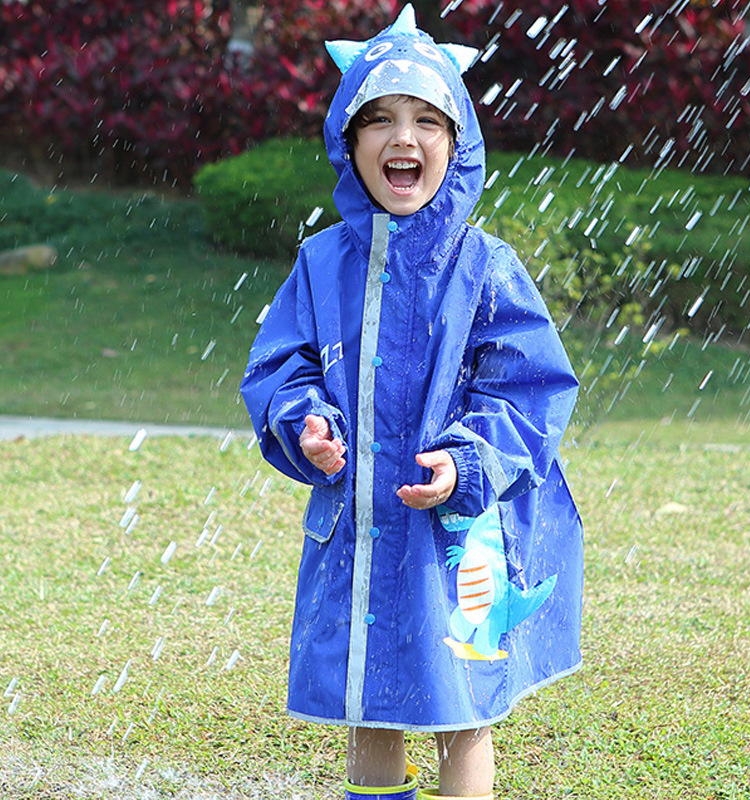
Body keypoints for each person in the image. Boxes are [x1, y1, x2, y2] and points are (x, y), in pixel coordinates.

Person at [240, 5, 583, 799]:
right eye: (381, 121)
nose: (404, 138)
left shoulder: (484, 266)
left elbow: (530, 388)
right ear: (347, 143)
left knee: (462, 706)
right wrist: (305, 424)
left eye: (429, 120)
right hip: (360, 520)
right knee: (370, 692)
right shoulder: (322, 264)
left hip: (459, 534)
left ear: (456, 147)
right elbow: (280, 368)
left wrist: (468, 461)